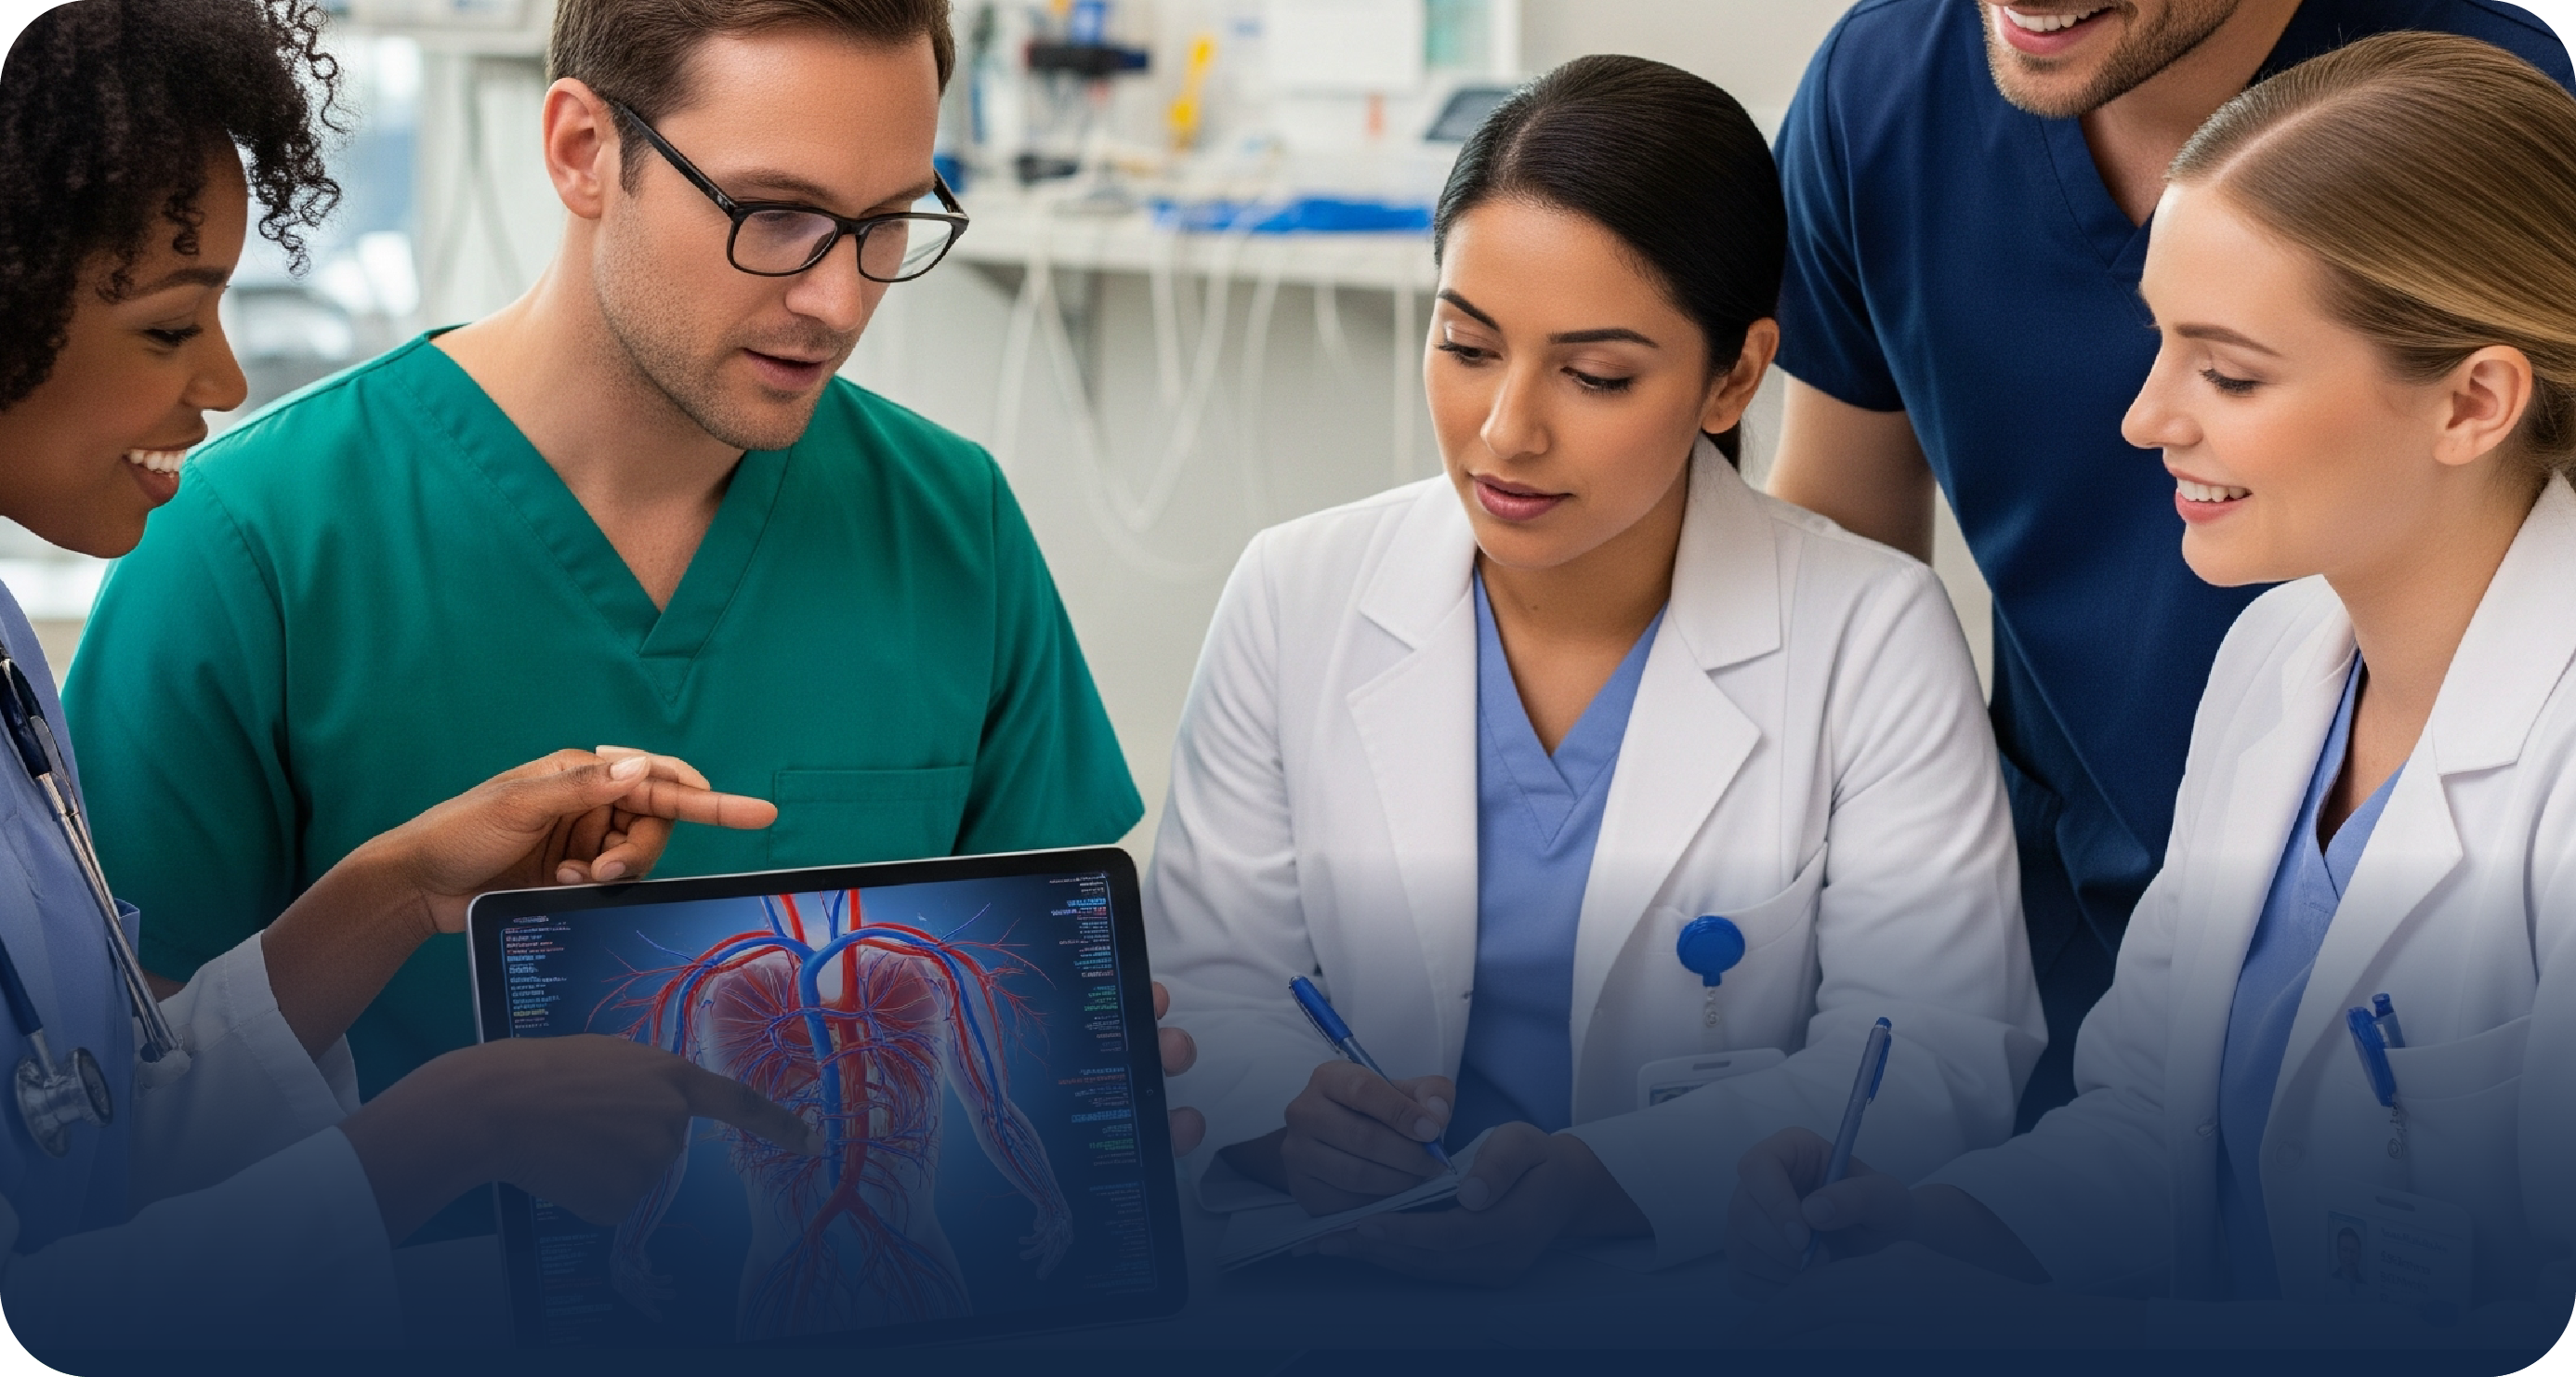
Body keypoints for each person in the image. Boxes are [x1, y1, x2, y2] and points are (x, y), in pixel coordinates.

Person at [0, 1, 1203, 1357]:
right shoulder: (241, 546)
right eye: (779, 215)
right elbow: (121, 1169)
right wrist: (451, 1118)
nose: (841, 297)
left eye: (889, 225)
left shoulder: (952, 524)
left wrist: (1095, 1090)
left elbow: (1045, 1015)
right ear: (583, 149)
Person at [1729, 33, 2576, 1341]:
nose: (2144, 418)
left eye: (2227, 372)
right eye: (2161, 345)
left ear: (2472, 401)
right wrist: (1934, 1224)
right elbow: (2149, 1129)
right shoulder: (2274, 667)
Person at [0, 0, 817, 1353]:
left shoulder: (12, 667)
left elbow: (97, 1132)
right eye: (164, 327)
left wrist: (402, 889)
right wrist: (446, 1135)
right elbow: (39, 1324)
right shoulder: (254, 538)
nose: (225, 375)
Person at [1147, 55, 2043, 1285]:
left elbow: (1934, 1052)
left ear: (1734, 374)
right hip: (1345, 1270)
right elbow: (1205, 984)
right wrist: (1291, 1118)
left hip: (1704, 1286)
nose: (1508, 428)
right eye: (1468, 345)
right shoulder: (1296, 593)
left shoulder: (1870, 634)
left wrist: (1614, 1178)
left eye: (1596, 375)